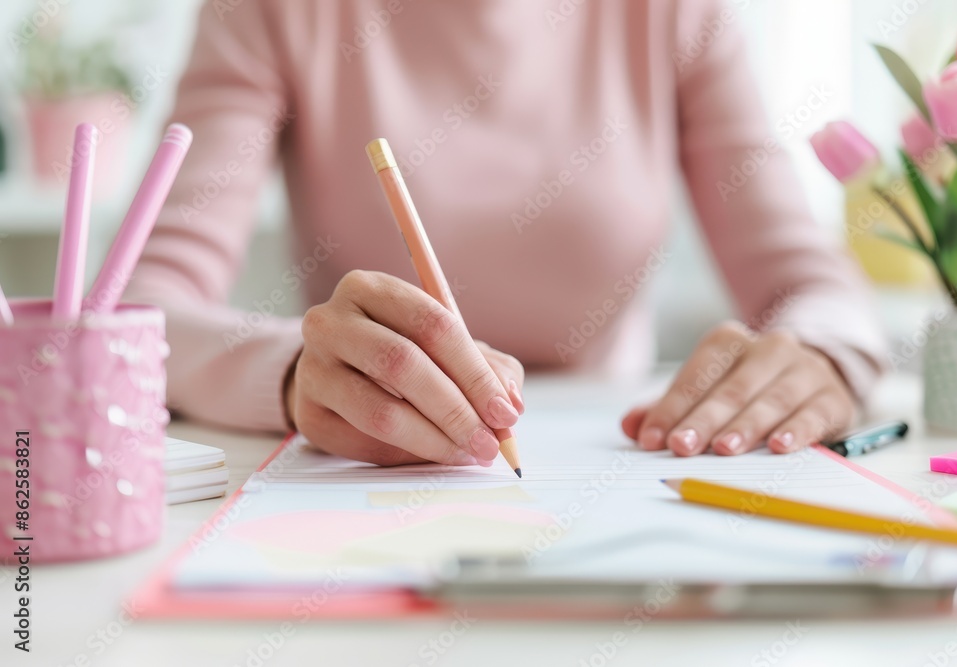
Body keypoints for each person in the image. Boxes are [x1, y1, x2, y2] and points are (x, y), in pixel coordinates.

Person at [125, 0, 887, 467]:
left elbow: (811, 283)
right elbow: (139, 310)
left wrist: (821, 354)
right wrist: (298, 374)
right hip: (367, 473)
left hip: (613, 464)